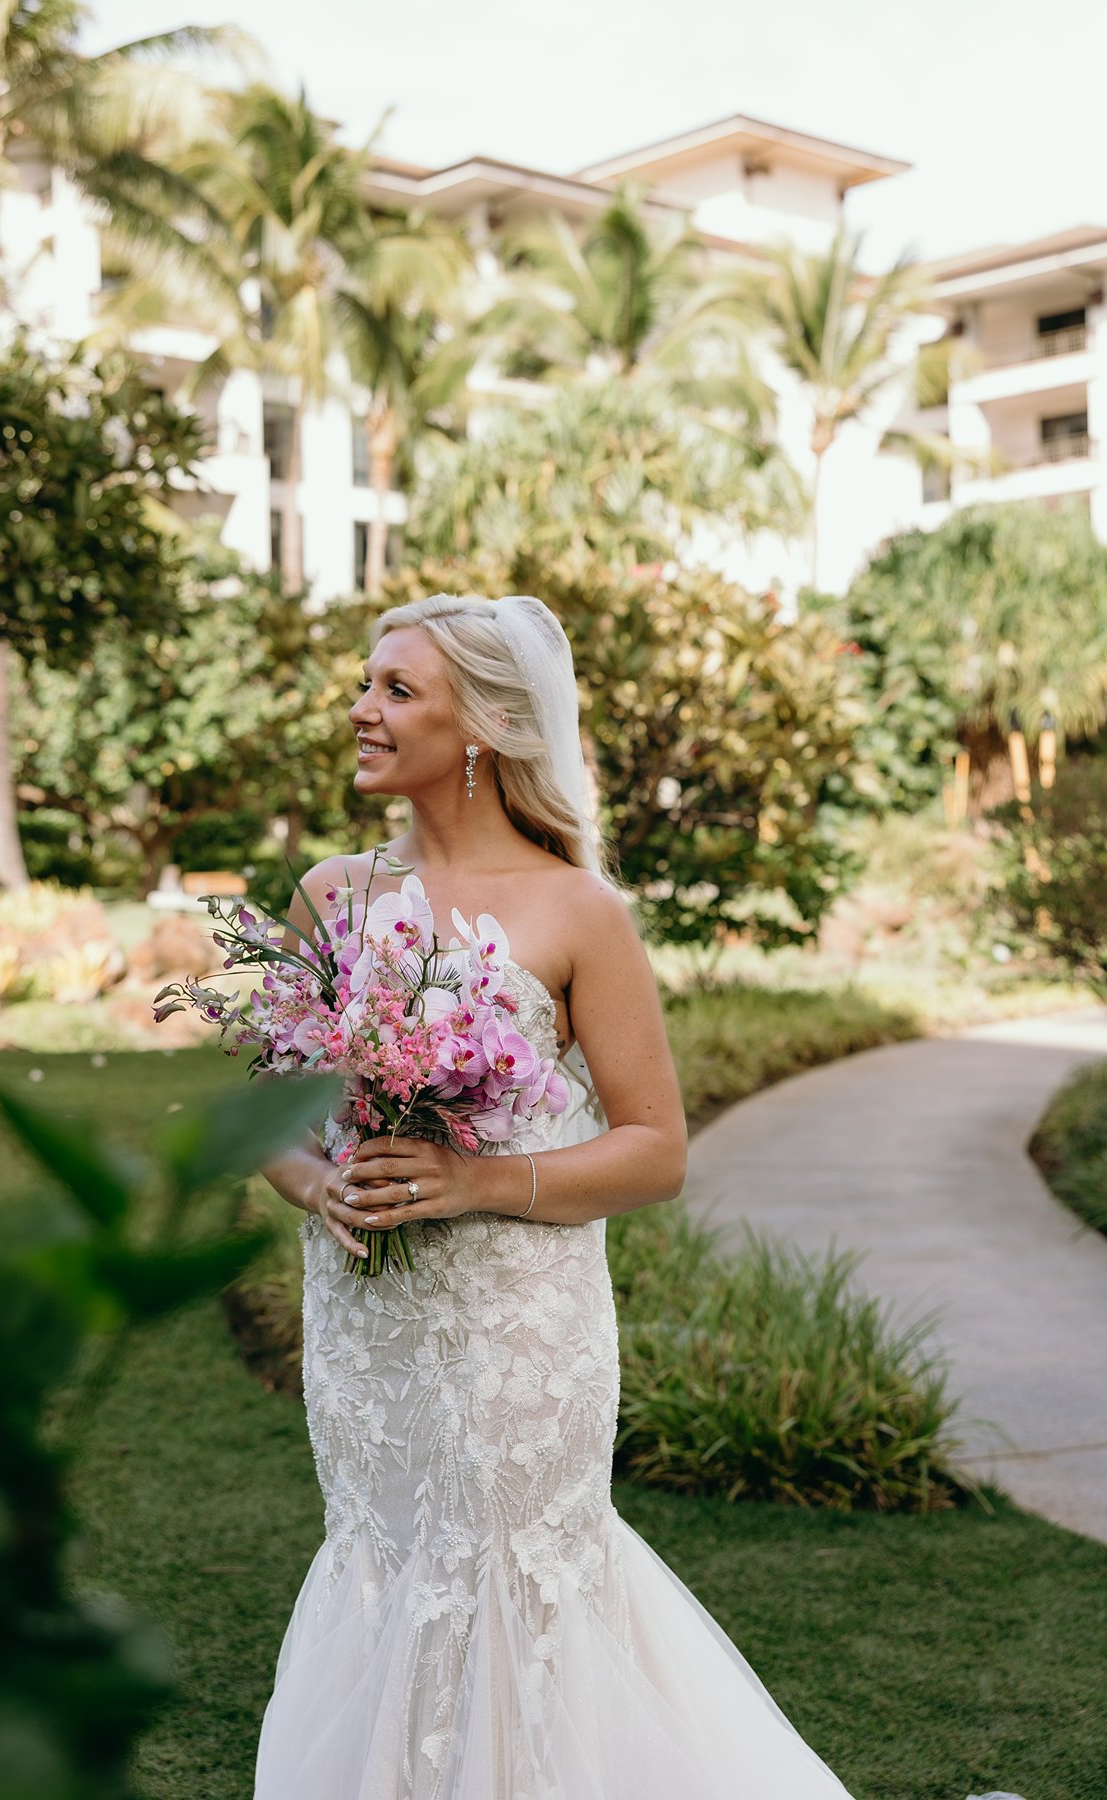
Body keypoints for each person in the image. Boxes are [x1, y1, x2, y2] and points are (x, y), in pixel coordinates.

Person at [252, 591, 860, 1799]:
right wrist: (318, 1187)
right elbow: (274, 1111)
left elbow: (655, 1148)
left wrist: (477, 1177)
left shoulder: (580, 913)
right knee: (386, 1556)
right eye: (366, 685)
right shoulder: (331, 895)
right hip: (370, 1330)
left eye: (395, 690)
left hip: (518, 1326)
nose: (361, 712)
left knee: (515, 1578)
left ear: (480, 726)